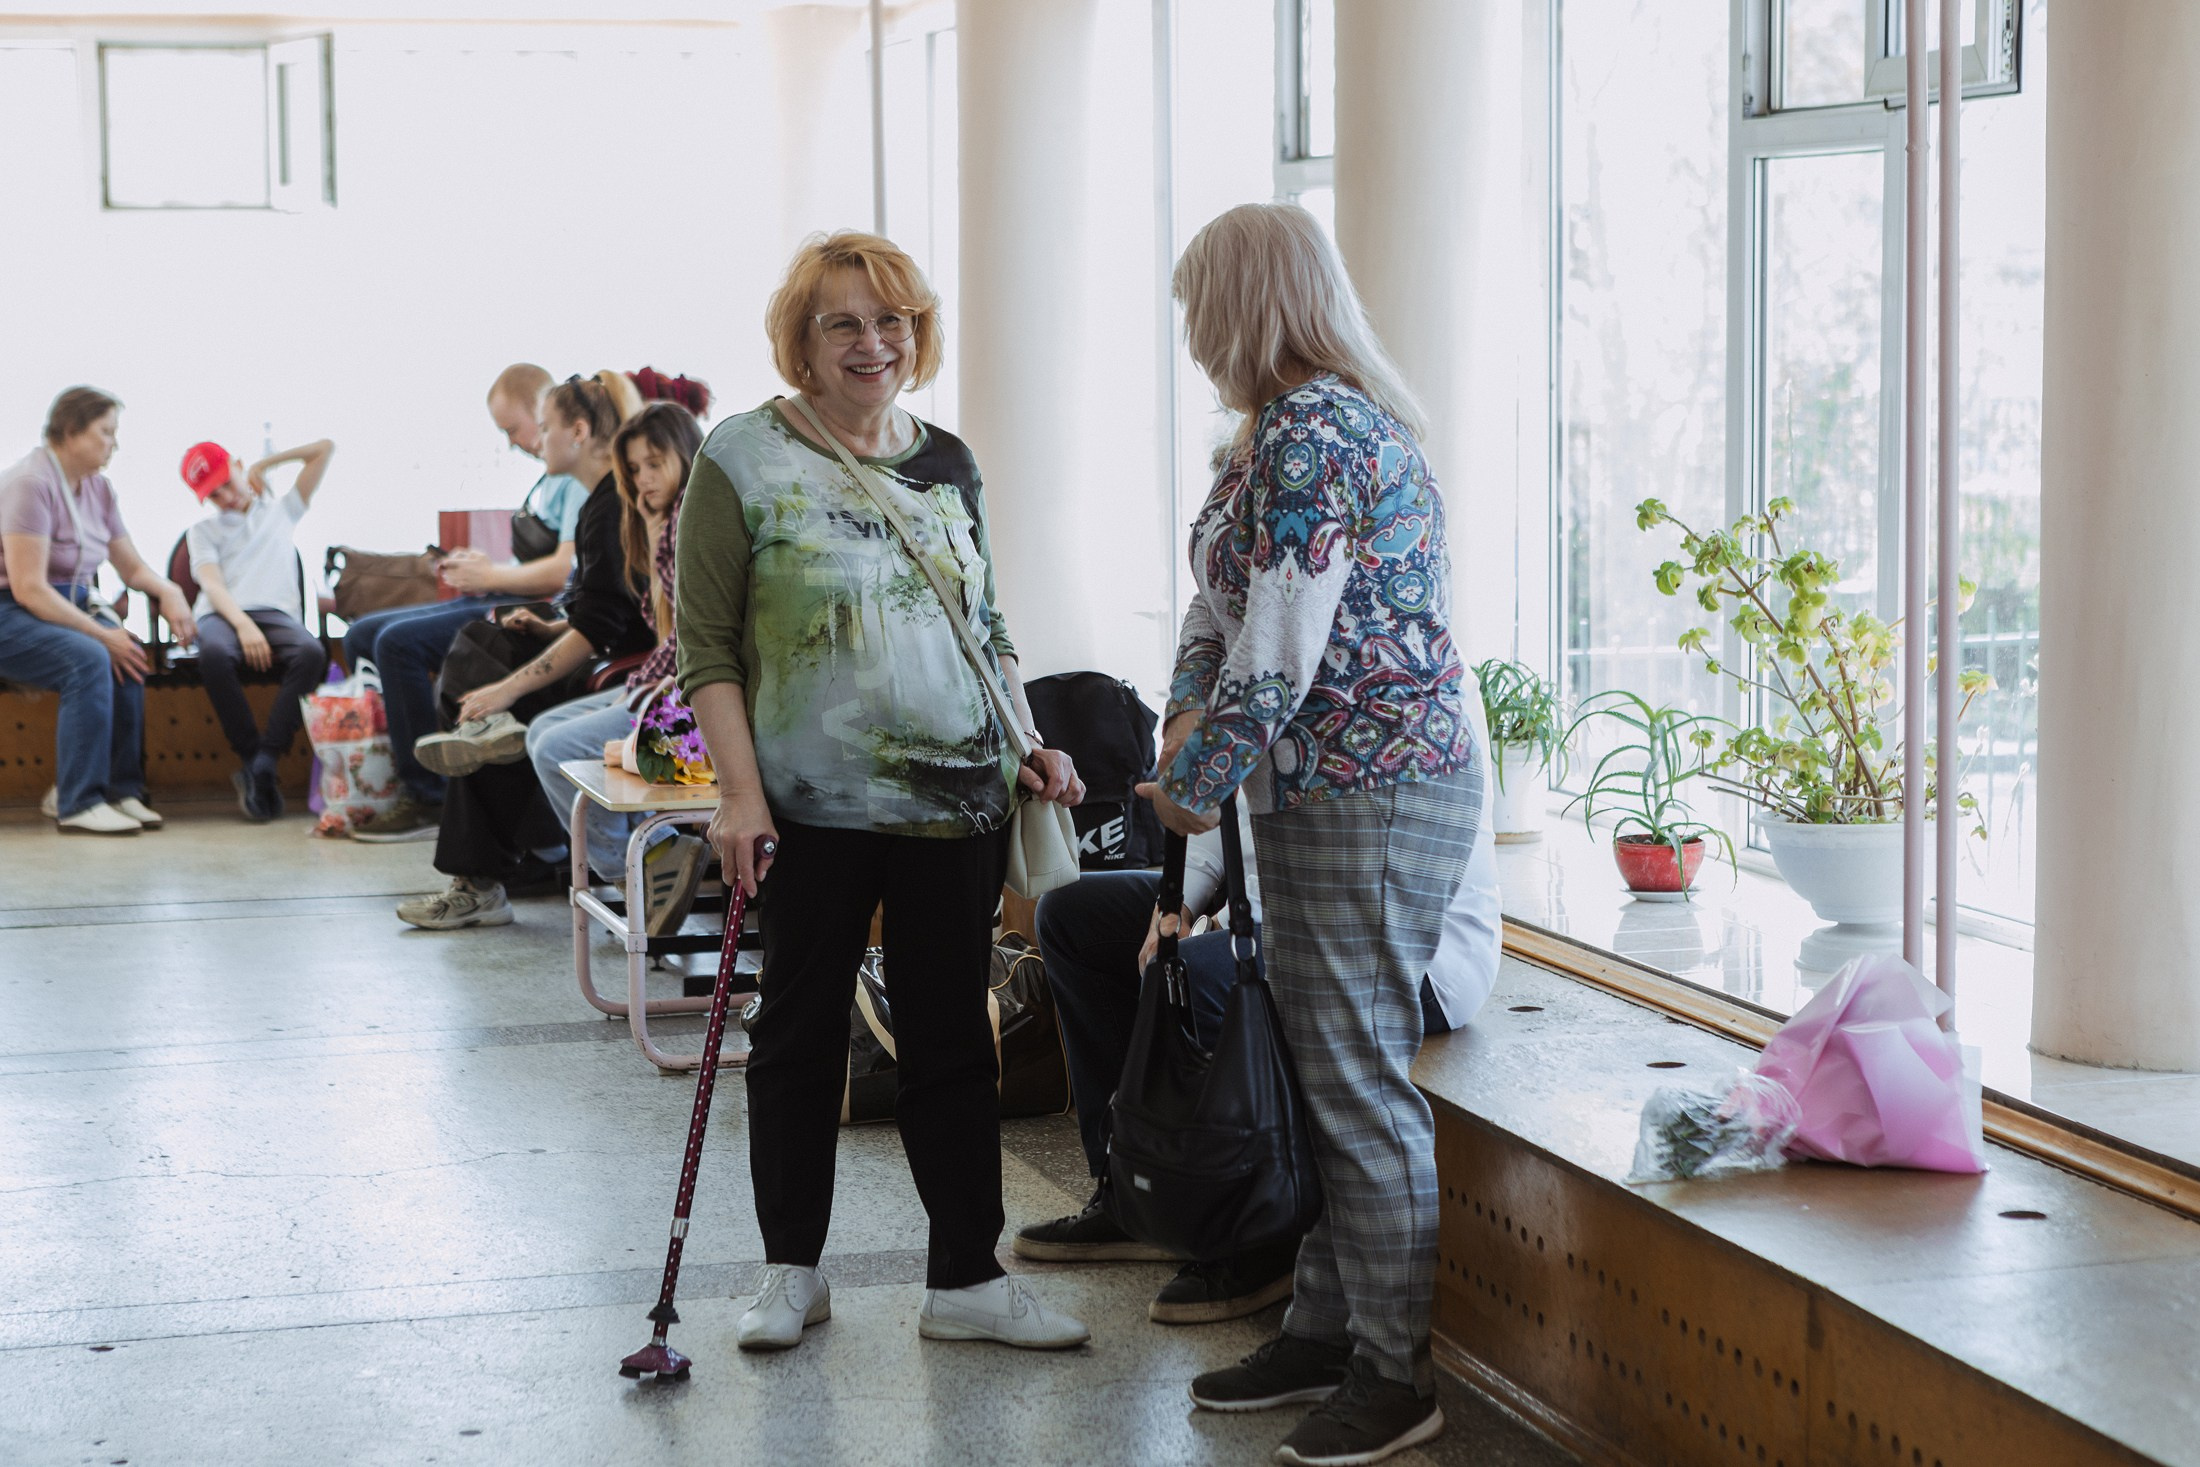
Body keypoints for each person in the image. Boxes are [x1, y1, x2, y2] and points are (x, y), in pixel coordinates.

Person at [677, 232, 1087, 1354]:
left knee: (953, 1036)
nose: (872, 344)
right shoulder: (742, 459)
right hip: (805, 804)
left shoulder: (948, 459)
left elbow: (988, 623)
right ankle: (789, 1271)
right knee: (798, 1033)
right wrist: (738, 796)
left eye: (891, 321)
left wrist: (1029, 742)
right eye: (843, 324)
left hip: (956, 796)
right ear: (800, 342)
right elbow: (704, 646)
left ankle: (965, 1277)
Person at [1139, 202, 1482, 1467]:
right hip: (1315, 788)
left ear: (1245, 306)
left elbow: (1281, 649)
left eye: (1195, 312)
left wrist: (1192, 782)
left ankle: (1395, 1374)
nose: (1188, 340)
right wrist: (1185, 709)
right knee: (1322, 1066)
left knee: (1355, 1082)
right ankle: (1326, 1326)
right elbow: (1216, 605)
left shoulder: (1317, 436)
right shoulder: (1266, 440)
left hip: (1373, 789)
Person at [1013, 693, 1503, 1328]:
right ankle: (1133, 1188)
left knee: (1197, 976)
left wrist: (1214, 920)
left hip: (1410, 951)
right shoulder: (1255, 654)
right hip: (1280, 915)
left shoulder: (1395, 675)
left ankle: (1259, 1235)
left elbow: (1363, 871)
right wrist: (1179, 910)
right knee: (1071, 918)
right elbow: (1229, 823)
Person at [393, 372, 655, 930]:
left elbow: (606, 631)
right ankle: (493, 775)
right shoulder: (599, 504)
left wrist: (508, 688)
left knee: (487, 701)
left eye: (544, 427)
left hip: (618, 673)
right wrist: (547, 626)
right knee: (486, 643)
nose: (536, 439)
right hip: (601, 655)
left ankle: (484, 875)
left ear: (578, 431)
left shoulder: (612, 507)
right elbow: (598, 615)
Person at [345, 363, 595, 843]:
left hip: (542, 607)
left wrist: (492, 574)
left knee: (397, 644)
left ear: (542, 410)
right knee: (361, 634)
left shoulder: (574, 477)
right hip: (510, 591)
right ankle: (398, 774)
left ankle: (429, 798)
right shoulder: (546, 480)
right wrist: (485, 569)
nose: (515, 442)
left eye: (515, 429)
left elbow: (565, 570)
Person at [525, 399, 709, 934]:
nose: (644, 479)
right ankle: (652, 865)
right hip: (659, 680)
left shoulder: (692, 522)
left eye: (655, 464)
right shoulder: (659, 523)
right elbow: (664, 623)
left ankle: (646, 867)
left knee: (556, 747)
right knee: (544, 730)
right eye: (634, 470)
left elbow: (698, 634)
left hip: (689, 693)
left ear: (684, 455)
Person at [0, 387, 196, 835]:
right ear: (71, 431)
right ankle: (78, 802)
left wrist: (169, 591)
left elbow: (130, 567)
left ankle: (120, 791)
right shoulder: (31, 484)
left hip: (63, 603)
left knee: (126, 652)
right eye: (106, 432)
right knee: (90, 657)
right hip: (10, 609)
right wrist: (100, 634)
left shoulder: (99, 490)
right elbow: (29, 589)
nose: (114, 444)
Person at [180, 436, 337, 822]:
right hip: (222, 613)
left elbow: (324, 449)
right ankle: (252, 757)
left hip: (277, 614)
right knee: (215, 654)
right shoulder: (203, 531)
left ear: (238, 464)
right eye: (213, 495)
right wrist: (243, 625)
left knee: (312, 653)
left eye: (227, 484)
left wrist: (266, 466)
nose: (226, 498)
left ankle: (266, 760)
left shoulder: (282, 510)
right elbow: (213, 586)